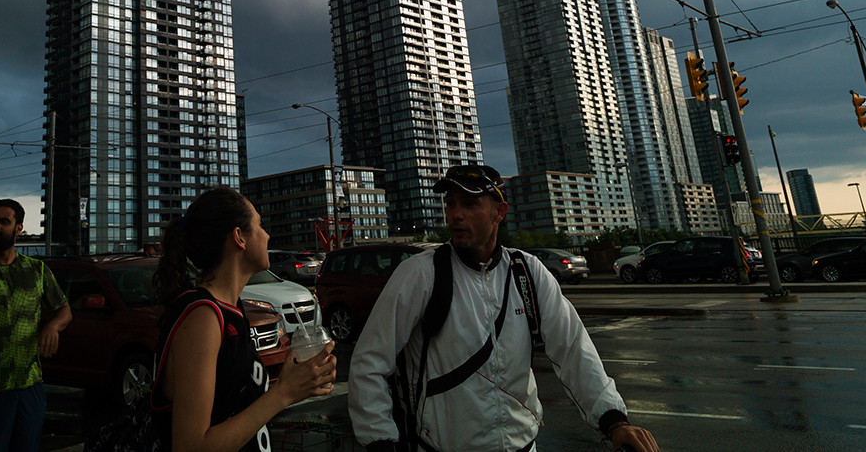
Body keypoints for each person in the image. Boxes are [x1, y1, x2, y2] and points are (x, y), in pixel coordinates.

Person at [349, 165, 659, 452]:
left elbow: (573, 349)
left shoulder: (527, 272)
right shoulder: (420, 274)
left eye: (469, 204)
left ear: (499, 212)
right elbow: (370, 362)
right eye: (450, 203)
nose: (455, 214)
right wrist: (380, 441)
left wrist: (614, 420)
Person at [150, 187, 339, 452]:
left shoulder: (233, 308)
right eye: (259, 225)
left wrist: (296, 381)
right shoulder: (202, 317)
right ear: (239, 237)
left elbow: (234, 409)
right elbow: (191, 446)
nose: (267, 234)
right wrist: (283, 393)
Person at [0, 198, 72, 452]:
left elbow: (64, 310)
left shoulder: (36, 270)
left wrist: (52, 327)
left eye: (4, 222)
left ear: (19, 228)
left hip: (29, 386)